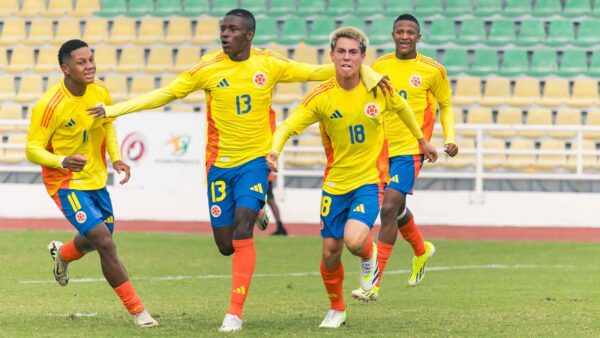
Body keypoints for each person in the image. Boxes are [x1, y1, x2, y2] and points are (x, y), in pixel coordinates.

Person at [87, 9, 387, 332]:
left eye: (232, 29)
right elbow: (164, 94)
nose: (225, 34)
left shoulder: (268, 63)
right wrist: (113, 110)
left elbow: (318, 71)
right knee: (226, 244)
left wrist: (367, 74)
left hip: (256, 162)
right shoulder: (208, 68)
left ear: (249, 35)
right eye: (223, 29)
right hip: (220, 165)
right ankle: (256, 211)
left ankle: (234, 313)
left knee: (243, 231)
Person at [267, 27, 437, 328]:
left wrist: (421, 141)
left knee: (355, 241)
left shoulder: (378, 89)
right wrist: (275, 150)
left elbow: (403, 109)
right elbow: (288, 126)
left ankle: (369, 257)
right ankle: (337, 309)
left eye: (353, 52)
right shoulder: (321, 97)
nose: (347, 57)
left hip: (369, 182)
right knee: (330, 252)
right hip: (334, 185)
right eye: (341, 52)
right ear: (332, 56)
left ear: (362, 57)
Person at [25, 39, 158, 328]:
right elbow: (32, 149)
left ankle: (62, 254)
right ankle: (139, 313)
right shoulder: (50, 105)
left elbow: (107, 123)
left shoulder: (100, 91)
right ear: (65, 69)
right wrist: (61, 161)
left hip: (95, 179)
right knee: (105, 243)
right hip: (65, 181)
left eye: (91, 59)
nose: (90, 66)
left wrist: (117, 158)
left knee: (99, 236)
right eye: (81, 62)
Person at [352, 14, 459, 302]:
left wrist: (449, 138)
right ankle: (422, 250)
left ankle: (373, 284)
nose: (404, 36)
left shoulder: (432, 70)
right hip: (380, 148)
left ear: (418, 37)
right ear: (393, 34)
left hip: (411, 149)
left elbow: (446, 105)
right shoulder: (379, 67)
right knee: (397, 210)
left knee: (387, 209)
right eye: (399, 31)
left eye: (410, 32)